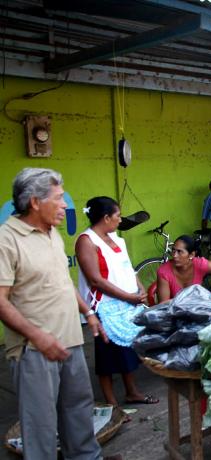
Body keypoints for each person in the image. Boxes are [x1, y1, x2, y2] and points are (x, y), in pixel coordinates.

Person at [0, 168, 105, 460]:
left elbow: (62, 282)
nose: (65, 206)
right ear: (35, 202)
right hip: (34, 348)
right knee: (41, 424)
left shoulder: (52, 235)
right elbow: (1, 301)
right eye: (59, 199)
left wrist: (88, 312)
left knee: (79, 412)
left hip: (69, 338)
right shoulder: (7, 240)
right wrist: (38, 337)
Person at [75, 196, 156, 407]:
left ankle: (132, 392)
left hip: (127, 304)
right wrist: (128, 296)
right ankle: (111, 404)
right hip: (105, 307)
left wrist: (139, 287)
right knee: (107, 358)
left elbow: (127, 267)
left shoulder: (116, 238)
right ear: (106, 217)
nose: (121, 220)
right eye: (118, 216)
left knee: (127, 351)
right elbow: (95, 279)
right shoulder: (87, 241)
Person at [156, 235, 211, 302]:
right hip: (174, 314)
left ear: (191, 255)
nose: (174, 255)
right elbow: (163, 305)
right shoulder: (164, 272)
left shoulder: (199, 264)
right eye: (173, 250)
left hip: (196, 309)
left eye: (179, 252)